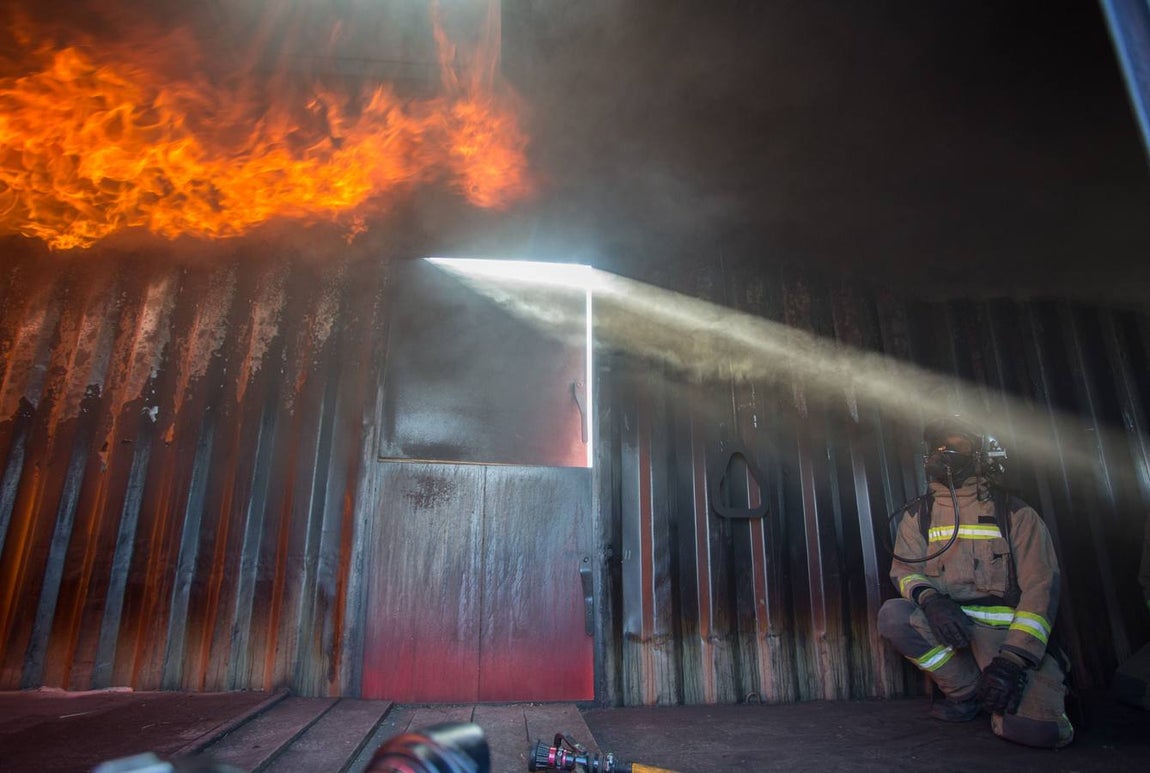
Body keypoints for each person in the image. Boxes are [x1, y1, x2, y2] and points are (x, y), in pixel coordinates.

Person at [877, 415, 1074, 748]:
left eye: (958, 446)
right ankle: (966, 692)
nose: (945, 454)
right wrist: (930, 600)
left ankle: (1028, 691)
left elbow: (1041, 590)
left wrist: (1012, 662)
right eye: (939, 447)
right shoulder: (917, 516)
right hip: (950, 626)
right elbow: (904, 570)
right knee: (893, 616)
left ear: (980, 456)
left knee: (1038, 733)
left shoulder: (1016, 514)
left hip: (1006, 638)